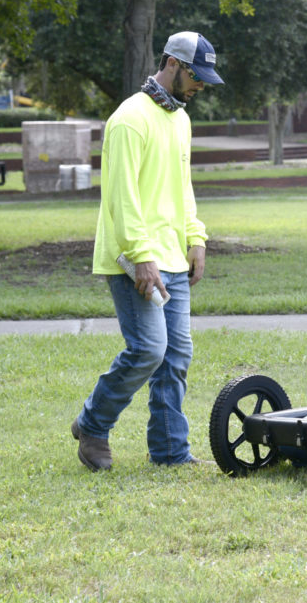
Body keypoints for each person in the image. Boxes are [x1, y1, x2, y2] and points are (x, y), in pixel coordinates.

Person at [72, 31, 222, 470]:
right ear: (173, 64)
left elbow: (183, 188)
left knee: (176, 357)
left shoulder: (181, 119)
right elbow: (121, 197)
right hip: (134, 259)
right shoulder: (129, 119)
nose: (201, 87)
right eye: (197, 77)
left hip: (173, 256)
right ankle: (93, 424)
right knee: (148, 350)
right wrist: (142, 255)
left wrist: (196, 238)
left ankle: (172, 452)